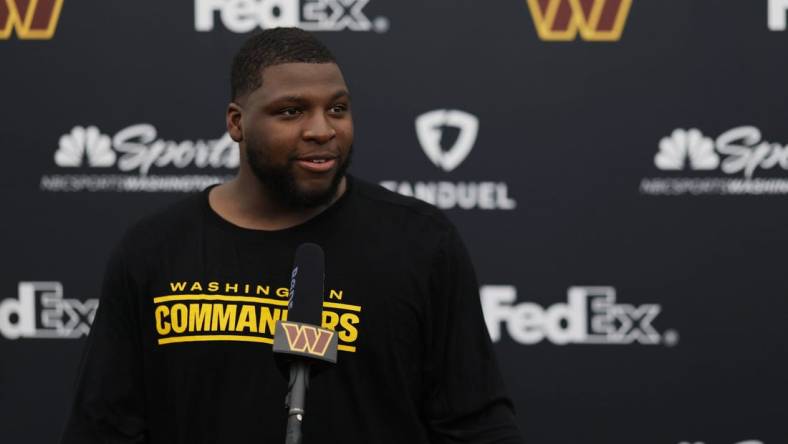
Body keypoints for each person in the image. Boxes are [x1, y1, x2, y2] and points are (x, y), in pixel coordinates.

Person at [61, 27, 523, 444]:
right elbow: (103, 429)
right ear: (237, 123)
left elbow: (478, 427)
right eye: (291, 111)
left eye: (337, 109)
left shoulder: (421, 242)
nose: (322, 130)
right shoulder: (154, 249)